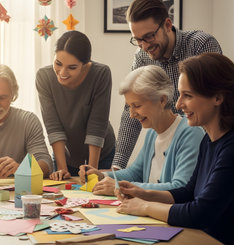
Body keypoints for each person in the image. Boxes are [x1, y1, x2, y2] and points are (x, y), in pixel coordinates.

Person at [116, 53, 234, 244]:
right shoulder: (208, 141)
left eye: (187, 96)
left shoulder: (230, 149)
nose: (179, 104)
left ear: (218, 98)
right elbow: (187, 192)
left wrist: (145, 206)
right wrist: (141, 193)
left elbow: (199, 213)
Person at [113, 0, 222, 170]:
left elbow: (215, 106)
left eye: (149, 36)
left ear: (167, 24)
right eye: (138, 40)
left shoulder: (199, 44)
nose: (145, 46)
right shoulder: (142, 56)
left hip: (205, 149)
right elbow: (131, 111)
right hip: (170, 148)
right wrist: (117, 166)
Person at [80, 65, 204, 195]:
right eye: (129, 107)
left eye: (137, 106)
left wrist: (120, 187)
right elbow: (135, 172)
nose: (132, 114)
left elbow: (180, 187)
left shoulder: (190, 133)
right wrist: (102, 175)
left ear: (162, 100)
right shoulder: (152, 133)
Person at [36, 30, 115, 181]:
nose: (62, 72)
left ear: (85, 65)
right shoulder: (44, 77)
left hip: (101, 152)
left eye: (72, 67)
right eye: (58, 64)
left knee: (97, 195)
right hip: (66, 154)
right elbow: (53, 126)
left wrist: (91, 172)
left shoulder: (101, 74)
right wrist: (62, 169)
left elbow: (97, 125)